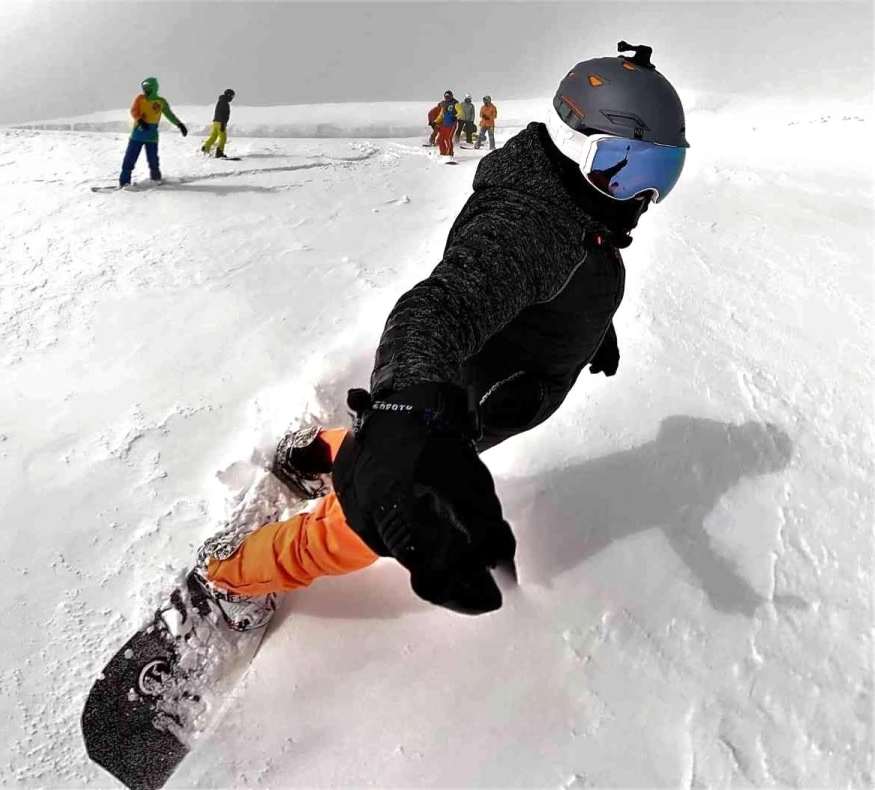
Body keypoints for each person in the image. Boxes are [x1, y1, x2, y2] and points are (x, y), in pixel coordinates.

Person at [190, 42, 690, 628]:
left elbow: (572, 273)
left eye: (663, 174)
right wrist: (406, 407)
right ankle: (230, 573)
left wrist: (591, 328)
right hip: (454, 406)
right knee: (376, 519)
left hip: (497, 386)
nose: (644, 198)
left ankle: (318, 450)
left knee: (390, 452)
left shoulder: (576, 205)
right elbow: (438, 308)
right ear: (576, 146)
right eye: (630, 170)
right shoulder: (535, 226)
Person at [119, 76, 187, 188]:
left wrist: (179, 124)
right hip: (137, 135)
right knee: (129, 159)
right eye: (144, 88)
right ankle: (124, 182)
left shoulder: (161, 102)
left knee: (153, 160)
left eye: (148, 88)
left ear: (154, 88)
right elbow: (134, 110)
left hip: (152, 136)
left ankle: (156, 179)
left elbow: (170, 115)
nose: (145, 91)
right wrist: (140, 120)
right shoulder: (140, 98)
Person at [202, 88, 235, 158]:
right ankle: (219, 152)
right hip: (220, 122)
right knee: (223, 138)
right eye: (232, 96)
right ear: (229, 95)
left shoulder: (221, 101)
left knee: (213, 136)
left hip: (215, 122)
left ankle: (206, 148)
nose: (232, 98)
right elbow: (222, 113)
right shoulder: (224, 102)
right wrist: (223, 123)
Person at [433, 90, 464, 158]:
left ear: (451, 96)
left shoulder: (456, 104)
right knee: (440, 140)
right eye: (446, 97)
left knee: (448, 139)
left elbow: (461, 112)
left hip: (452, 125)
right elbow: (441, 115)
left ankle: (449, 154)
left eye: (448, 97)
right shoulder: (444, 104)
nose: (447, 98)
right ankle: (443, 153)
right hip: (444, 124)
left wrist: (456, 117)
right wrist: (435, 121)